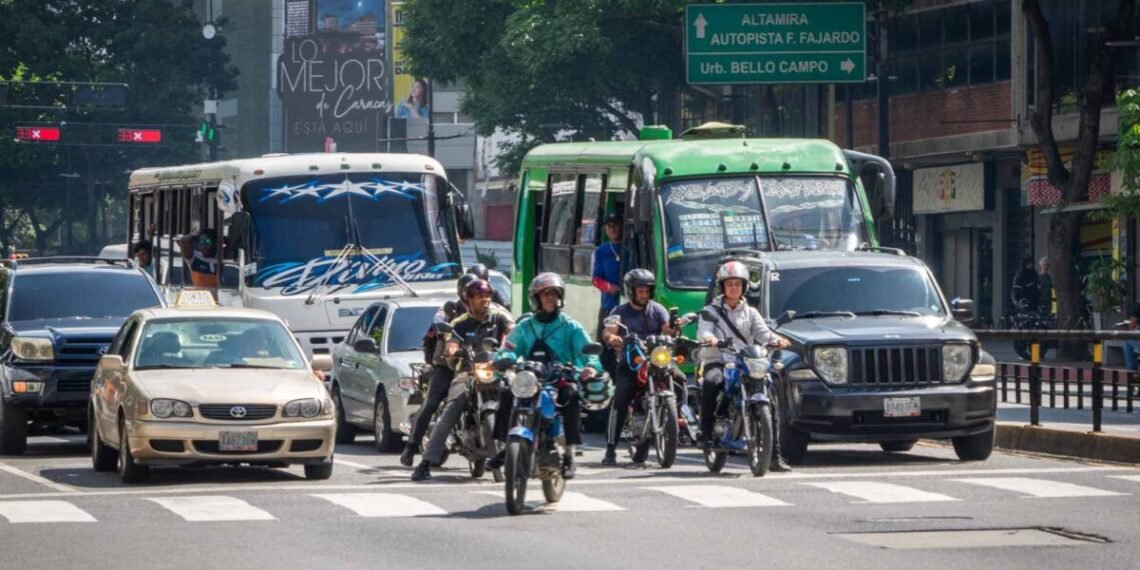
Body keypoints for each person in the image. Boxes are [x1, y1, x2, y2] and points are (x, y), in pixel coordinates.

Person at [488, 273, 601, 479]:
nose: (550, 298)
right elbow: (510, 347)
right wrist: (503, 359)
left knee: (572, 395)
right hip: (530, 378)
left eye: (554, 294)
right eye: (546, 294)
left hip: (560, 378)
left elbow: (586, 352)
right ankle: (506, 446)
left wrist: (590, 367)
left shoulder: (570, 326)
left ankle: (568, 455)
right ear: (536, 298)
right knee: (506, 391)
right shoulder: (525, 326)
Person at [412, 279, 515, 481]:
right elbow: (451, 341)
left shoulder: (499, 316)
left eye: (487, 296)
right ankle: (425, 463)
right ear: (469, 300)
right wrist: (454, 351)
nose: (484, 300)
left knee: (520, 395)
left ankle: (525, 451)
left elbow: (513, 329)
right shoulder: (459, 323)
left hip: (497, 370)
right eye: (479, 297)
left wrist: (511, 343)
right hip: (467, 372)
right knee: (450, 411)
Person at [697, 260, 792, 472]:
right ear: (722, 287)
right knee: (712, 382)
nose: (733, 288)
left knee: (771, 396)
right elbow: (704, 330)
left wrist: (777, 340)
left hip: (745, 361)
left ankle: (774, 457)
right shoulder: (711, 310)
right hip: (719, 360)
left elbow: (763, 333)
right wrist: (710, 338)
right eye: (729, 284)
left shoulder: (750, 312)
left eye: (738, 284)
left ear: (744, 287)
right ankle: (704, 433)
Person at [599, 268, 684, 466]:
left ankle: (675, 420)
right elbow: (609, 331)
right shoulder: (619, 312)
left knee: (679, 379)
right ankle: (610, 448)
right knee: (620, 400)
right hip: (631, 362)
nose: (644, 295)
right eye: (640, 291)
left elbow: (667, 330)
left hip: (657, 359)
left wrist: (674, 327)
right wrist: (613, 337)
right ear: (631, 292)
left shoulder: (658, 309)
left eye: (647, 291)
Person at [401, 273, 482, 467]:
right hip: (447, 365)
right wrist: (444, 334)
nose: (476, 296)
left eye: (479, 292)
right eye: (470, 292)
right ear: (462, 293)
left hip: (476, 366)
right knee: (431, 403)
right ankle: (411, 447)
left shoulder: (489, 311)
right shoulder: (449, 308)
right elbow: (438, 322)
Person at [592, 213, 624, 338]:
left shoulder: (630, 247)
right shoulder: (601, 251)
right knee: (606, 346)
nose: (612, 229)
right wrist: (609, 287)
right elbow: (595, 280)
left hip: (629, 307)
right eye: (609, 226)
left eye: (616, 225)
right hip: (609, 307)